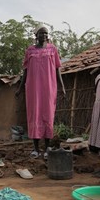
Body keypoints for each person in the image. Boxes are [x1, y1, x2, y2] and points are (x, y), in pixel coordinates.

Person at [16, 26, 66, 160]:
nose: (44, 35)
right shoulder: (30, 51)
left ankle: (47, 148)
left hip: (49, 87)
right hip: (33, 88)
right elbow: (25, 71)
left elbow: (57, 70)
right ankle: (36, 149)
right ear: (36, 35)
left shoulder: (53, 49)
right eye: (41, 33)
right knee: (34, 115)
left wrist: (62, 86)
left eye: (46, 33)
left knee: (48, 115)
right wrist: (20, 88)